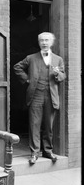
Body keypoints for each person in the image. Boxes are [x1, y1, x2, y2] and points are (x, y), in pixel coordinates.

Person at [13, 32, 66, 165]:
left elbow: (63, 76)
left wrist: (57, 74)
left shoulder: (58, 59)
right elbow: (17, 67)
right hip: (35, 95)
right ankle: (34, 152)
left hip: (51, 96)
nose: (44, 42)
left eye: (47, 40)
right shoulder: (31, 58)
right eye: (41, 40)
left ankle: (48, 151)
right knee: (34, 124)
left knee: (48, 126)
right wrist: (27, 79)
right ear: (39, 42)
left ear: (51, 42)